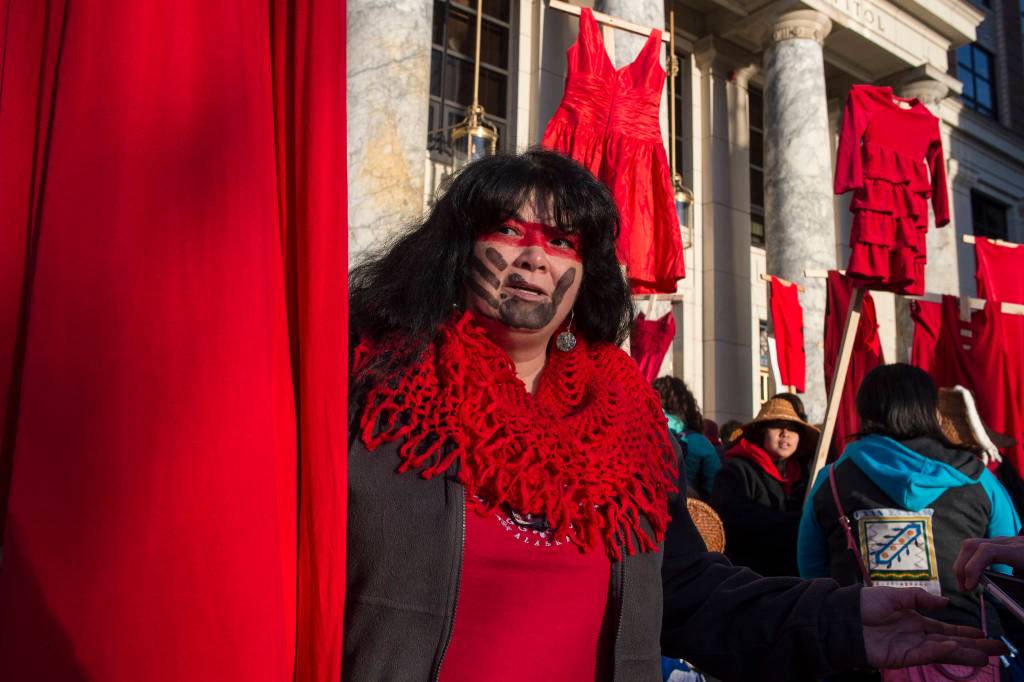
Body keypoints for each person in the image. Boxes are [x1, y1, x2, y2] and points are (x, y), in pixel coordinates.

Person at [346, 150, 1003, 681]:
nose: (534, 256)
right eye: (509, 229)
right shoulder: (373, 394)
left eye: (562, 238)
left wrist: (845, 621)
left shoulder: (627, 421)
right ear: (458, 248)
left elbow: (686, 592)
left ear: (586, 272)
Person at [799, 364, 1020, 679]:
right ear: (931, 410)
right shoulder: (979, 479)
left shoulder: (831, 479)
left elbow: (812, 573)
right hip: (966, 655)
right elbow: (1008, 573)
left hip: (862, 656)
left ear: (865, 410)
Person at [710, 397, 818, 576]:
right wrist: (798, 520)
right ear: (761, 432)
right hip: (751, 576)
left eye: (792, 428)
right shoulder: (735, 471)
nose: (785, 433)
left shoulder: (805, 475)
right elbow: (736, 522)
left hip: (796, 576)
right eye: (777, 425)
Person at [653, 376, 720, 500]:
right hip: (689, 511)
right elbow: (716, 489)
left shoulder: (646, 430)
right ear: (686, 404)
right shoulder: (701, 443)